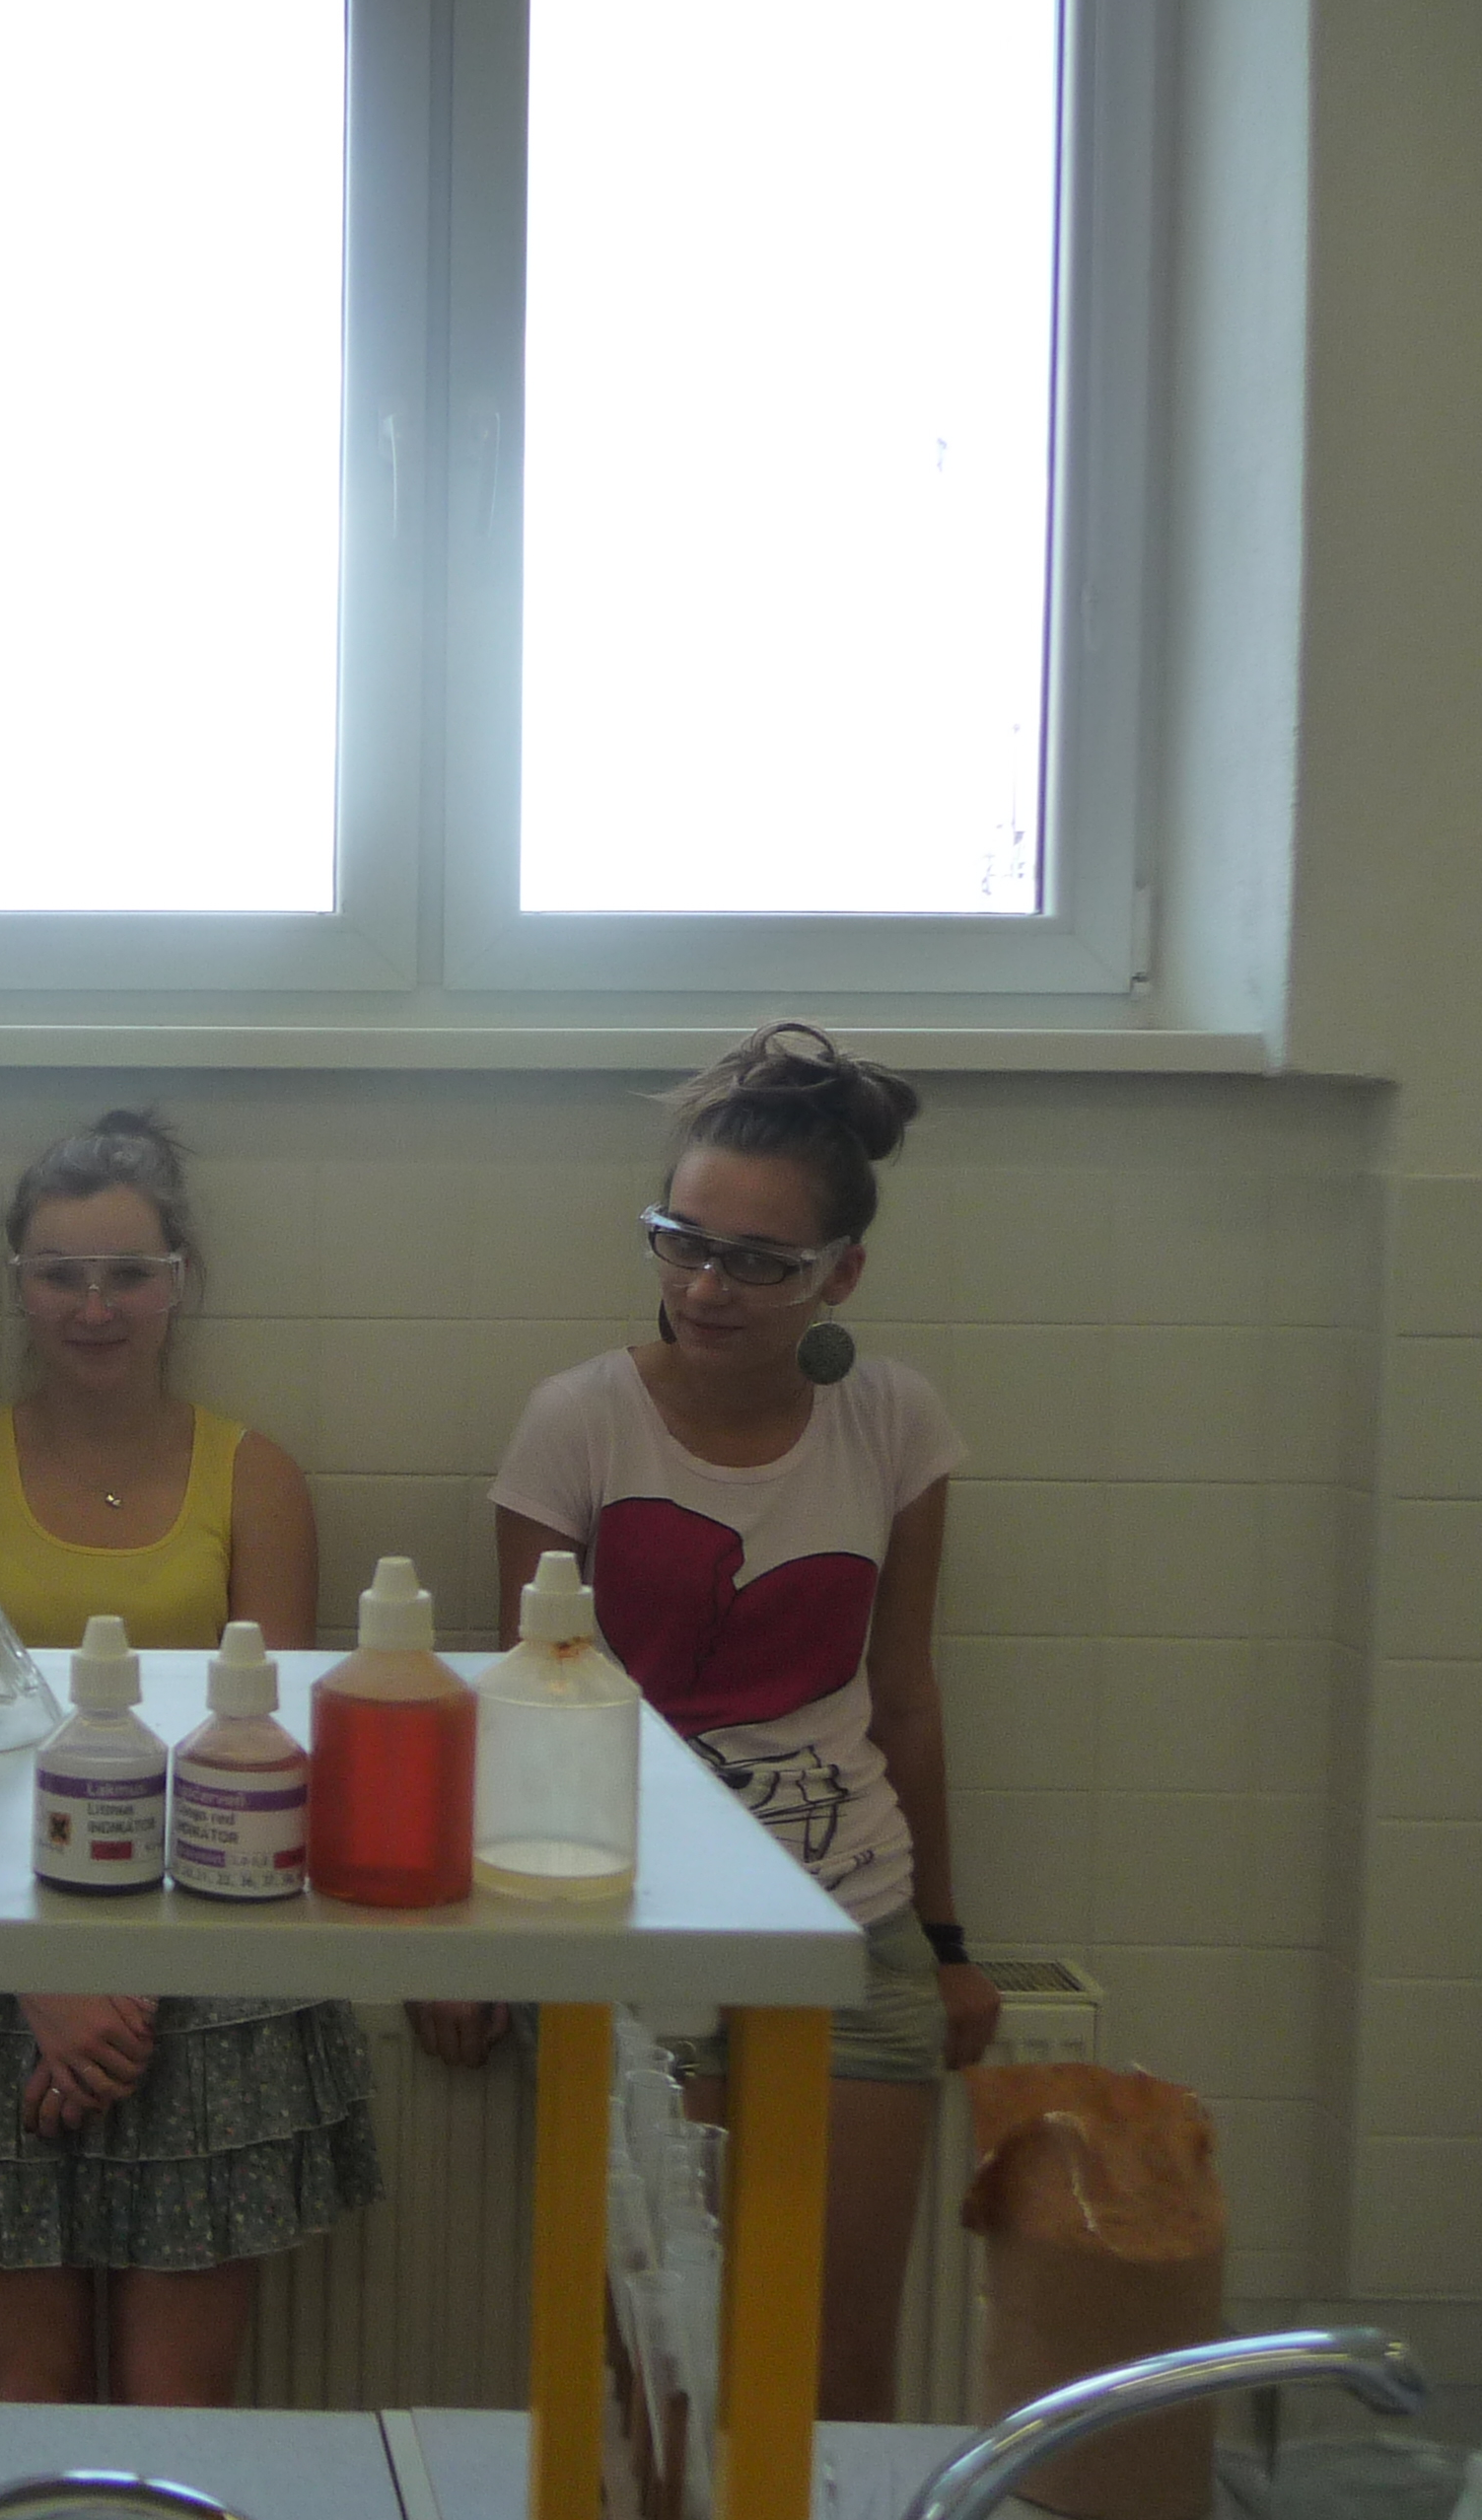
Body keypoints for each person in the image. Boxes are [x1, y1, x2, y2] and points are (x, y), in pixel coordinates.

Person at [415, 1022, 1000, 2420]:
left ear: (840, 1273)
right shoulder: (579, 1422)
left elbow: (907, 1692)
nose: (704, 1288)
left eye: (756, 1262)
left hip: (850, 1917)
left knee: (835, 2375)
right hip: (631, 1920)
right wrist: (472, 1934)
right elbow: (530, 1702)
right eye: (681, 1242)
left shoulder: (894, 1423)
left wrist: (948, 1943)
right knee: (657, 2382)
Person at [0, 1110, 376, 2408]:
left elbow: (271, 1761)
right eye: (61, 1273)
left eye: (128, 1273)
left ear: (179, 1283)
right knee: (26, 2394)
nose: (94, 1306)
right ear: (17, 1283)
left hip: (206, 1960)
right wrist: (44, 1977)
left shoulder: (256, 1478)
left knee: (178, 2407)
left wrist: (135, 1983)